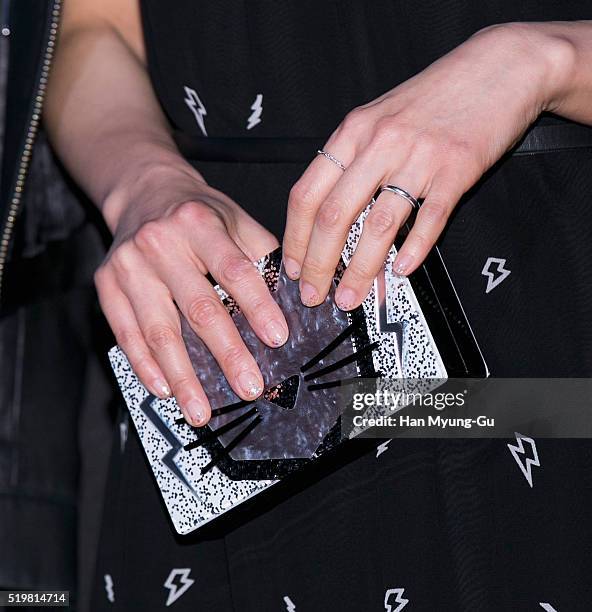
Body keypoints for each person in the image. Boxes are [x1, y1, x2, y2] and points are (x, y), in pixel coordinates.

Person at [45, 1, 592, 609]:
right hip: (226, 331)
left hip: (543, 301)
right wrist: (141, 180)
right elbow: (91, 24)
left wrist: (552, 58)